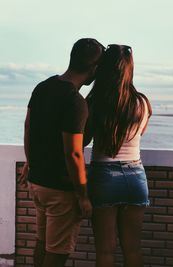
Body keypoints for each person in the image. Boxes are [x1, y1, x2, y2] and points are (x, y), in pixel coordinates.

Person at [18, 38, 104, 267]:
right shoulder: (75, 102)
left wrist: (30, 162)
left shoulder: (43, 86)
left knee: (42, 244)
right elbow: (74, 153)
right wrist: (83, 195)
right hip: (60, 190)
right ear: (93, 69)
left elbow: (28, 127)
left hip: (38, 183)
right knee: (57, 254)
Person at [84, 44, 152, 267]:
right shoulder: (142, 103)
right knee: (133, 248)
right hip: (135, 176)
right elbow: (139, 133)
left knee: (105, 251)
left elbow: (83, 140)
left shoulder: (94, 102)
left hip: (103, 177)